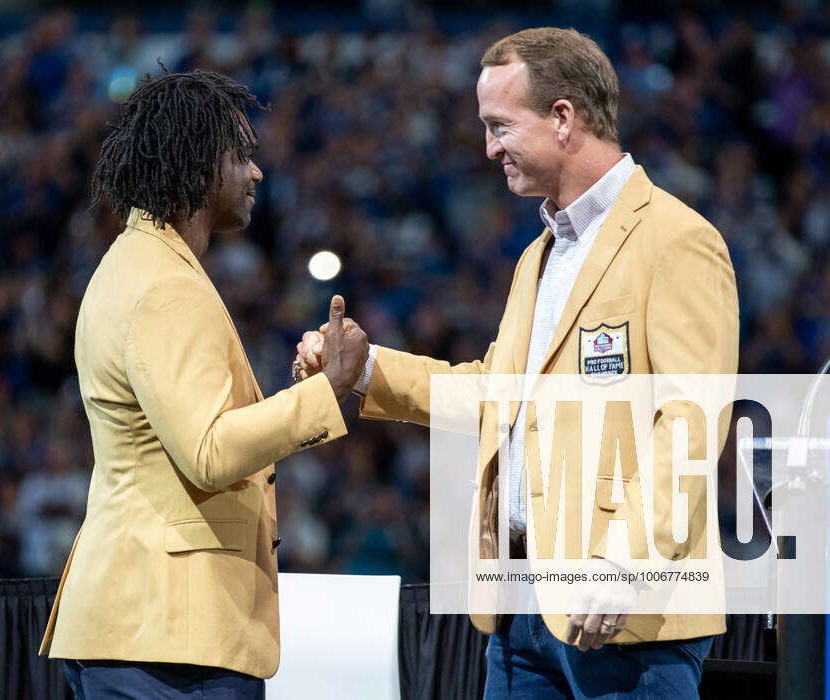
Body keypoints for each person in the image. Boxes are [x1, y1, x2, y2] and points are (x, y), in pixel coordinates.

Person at [296, 27, 738, 699]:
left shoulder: (676, 241)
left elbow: (692, 420)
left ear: (564, 118)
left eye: (499, 125)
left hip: (620, 618)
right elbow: (498, 396)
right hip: (516, 608)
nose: (488, 147)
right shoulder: (539, 254)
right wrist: (364, 370)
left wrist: (625, 561)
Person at [39, 70, 369, 699]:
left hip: (145, 630)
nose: (256, 173)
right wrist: (323, 394)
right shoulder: (165, 285)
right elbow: (210, 452)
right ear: (196, 163)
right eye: (241, 155)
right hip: (167, 640)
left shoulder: (137, 263)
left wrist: (293, 394)